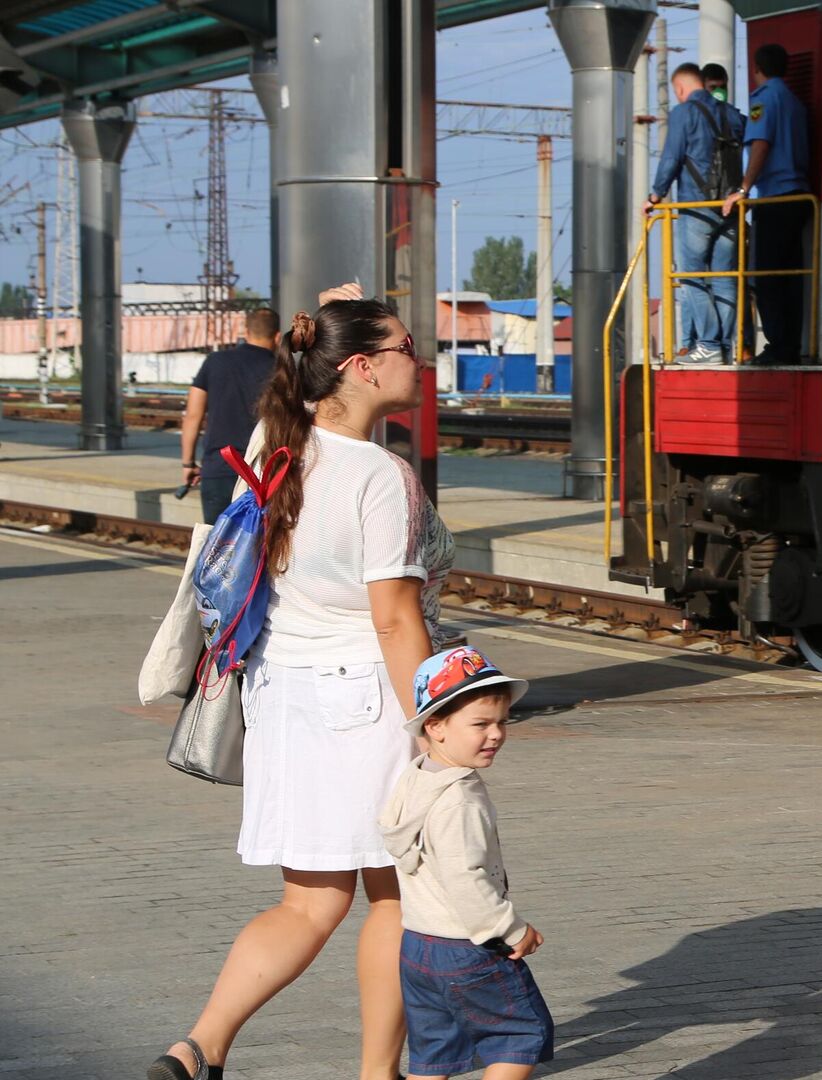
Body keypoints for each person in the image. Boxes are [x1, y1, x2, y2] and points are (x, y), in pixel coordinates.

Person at [147, 283, 457, 1080]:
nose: (418, 361)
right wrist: (432, 717)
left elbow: (303, 362)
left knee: (309, 906)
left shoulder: (272, 446)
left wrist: (327, 313)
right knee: (398, 899)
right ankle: (375, 1075)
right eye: (404, 348)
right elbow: (394, 619)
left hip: (282, 696)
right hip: (366, 701)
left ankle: (199, 1048)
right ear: (360, 366)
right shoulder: (379, 476)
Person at [380, 646, 551, 1080]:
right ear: (435, 726)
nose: (495, 734)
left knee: (434, 1050)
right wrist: (510, 930)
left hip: (418, 944)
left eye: (502, 723)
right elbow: (466, 879)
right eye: (480, 724)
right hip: (466, 948)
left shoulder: (416, 777)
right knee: (519, 1035)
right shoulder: (459, 798)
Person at [649, 61, 746, 365]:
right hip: (732, 208)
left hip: (696, 207)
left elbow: (672, 157)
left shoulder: (683, 113)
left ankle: (708, 345)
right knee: (724, 279)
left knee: (692, 277)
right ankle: (727, 348)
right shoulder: (732, 114)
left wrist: (655, 195)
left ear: (680, 88)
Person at [722, 43, 811, 365]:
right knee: (792, 276)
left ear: (757, 68)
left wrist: (743, 188)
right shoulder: (795, 103)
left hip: (775, 197)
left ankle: (777, 345)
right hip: (800, 198)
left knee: (766, 275)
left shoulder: (763, 100)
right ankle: (791, 344)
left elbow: (761, 143)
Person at [182, 308, 279, 524]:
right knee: (259, 551)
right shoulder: (282, 369)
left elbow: (192, 416)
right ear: (277, 337)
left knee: (216, 549)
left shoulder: (215, 362)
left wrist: (188, 464)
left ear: (245, 331)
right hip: (262, 475)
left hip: (218, 469)